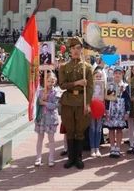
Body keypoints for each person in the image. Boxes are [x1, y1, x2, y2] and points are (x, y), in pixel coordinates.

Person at [59, 37, 93, 169]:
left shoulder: (87, 67)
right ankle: (70, 158)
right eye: (73, 48)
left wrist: (88, 104)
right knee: (70, 130)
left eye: (78, 48)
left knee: (80, 131)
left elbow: (90, 87)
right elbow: (62, 85)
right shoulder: (64, 67)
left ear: (81, 50)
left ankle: (78, 158)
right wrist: (77, 83)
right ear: (70, 50)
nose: (76, 51)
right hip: (68, 101)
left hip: (82, 101)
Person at [103, 66, 130, 158]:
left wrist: (127, 112)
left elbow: (127, 100)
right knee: (111, 129)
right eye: (116, 73)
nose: (117, 75)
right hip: (111, 109)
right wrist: (106, 111)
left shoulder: (125, 86)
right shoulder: (110, 85)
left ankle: (118, 148)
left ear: (122, 75)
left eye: (119, 73)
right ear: (113, 74)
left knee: (119, 129)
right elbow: (106, 100)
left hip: (120, 111)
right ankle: (112, 148)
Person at [34, 72, 59, 167]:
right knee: (40, 138)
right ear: (45, 81)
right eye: (48, 81)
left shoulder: (55, 92)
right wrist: (40, 99)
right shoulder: (40, 91)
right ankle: (38, 158)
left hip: (51, 118)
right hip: (41, 118)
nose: (50, 83)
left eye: (52, 81)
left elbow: (55, 105)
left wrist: (45, 103)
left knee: (51, 139)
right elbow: (36, 103)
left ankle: (51, 158)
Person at [89, 70, 105, 157]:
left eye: (100, 76)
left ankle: (97, 148)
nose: (98, 78)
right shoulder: (90, 86)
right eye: (97, 76)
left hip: (100, 108)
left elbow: (105, 97)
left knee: (98, 129)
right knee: (92, 128)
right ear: (93, 77)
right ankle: (92, 148)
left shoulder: (103, 86)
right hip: (92, 108)